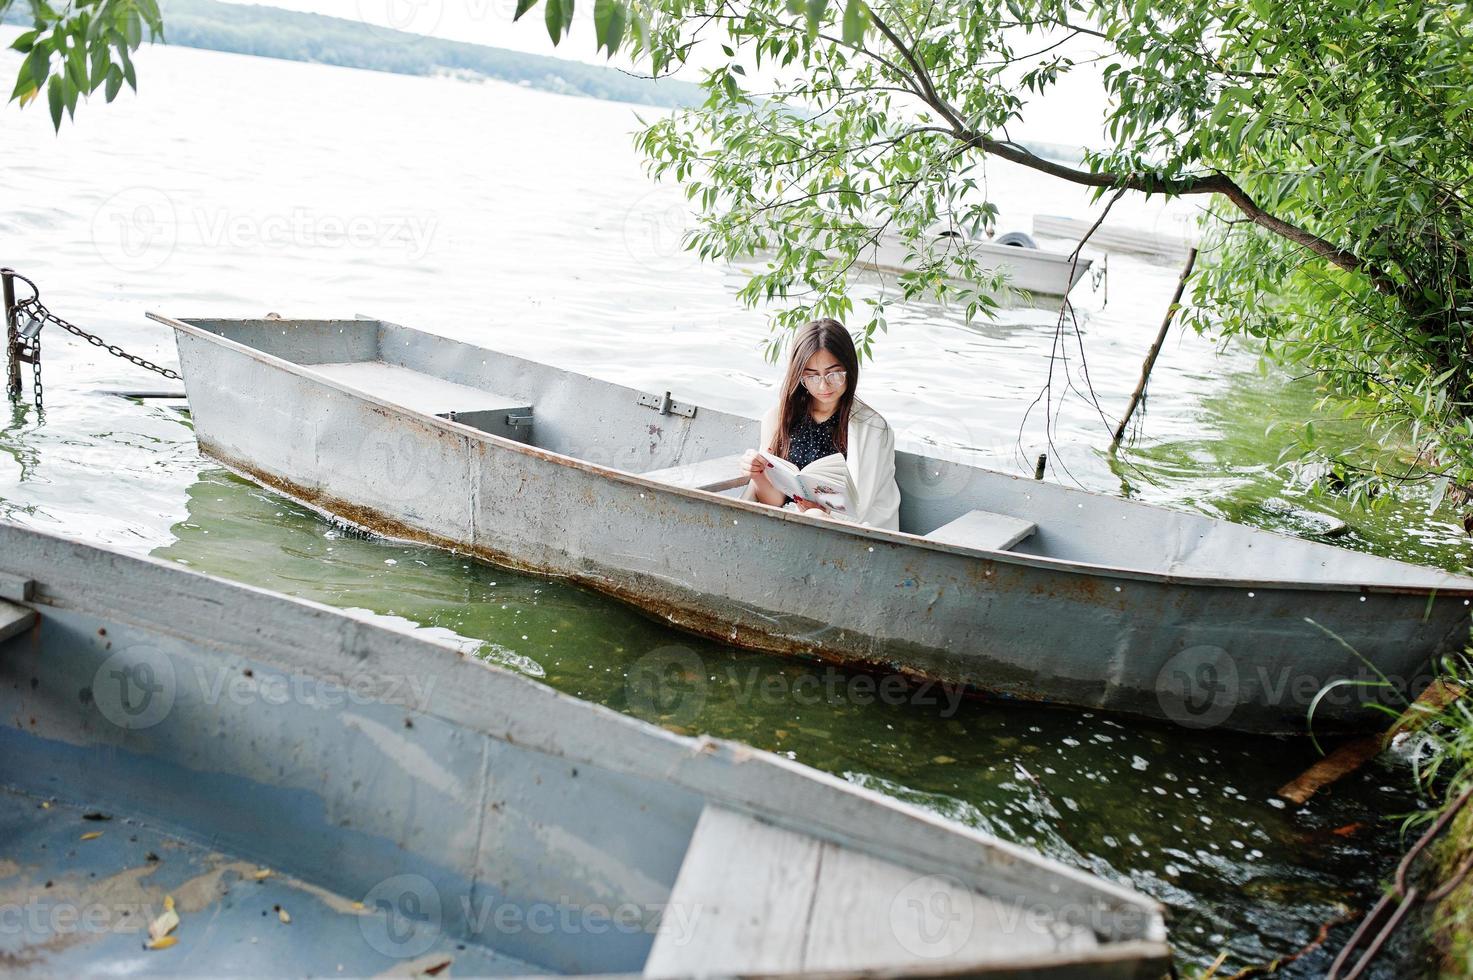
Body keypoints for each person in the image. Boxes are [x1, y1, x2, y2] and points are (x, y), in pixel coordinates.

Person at [740, 318, 901, 530]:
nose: (824, 385)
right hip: (787, 525)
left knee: (814, 515)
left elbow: (860, 508)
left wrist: (820, 511)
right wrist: (758, 475)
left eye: (834, 374)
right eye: (812, 376)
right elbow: (775, 502)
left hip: (848, 533)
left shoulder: (872, 427)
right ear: (799, 376)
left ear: (849, 369)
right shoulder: (778, 417)